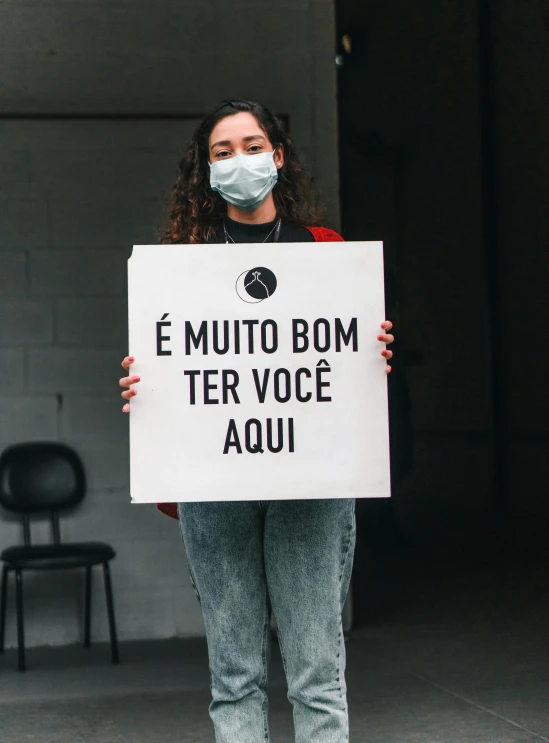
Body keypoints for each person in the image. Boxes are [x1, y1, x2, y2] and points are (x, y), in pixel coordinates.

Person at [119, 99, 394, 743]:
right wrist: (143, 384)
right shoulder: (179, 267)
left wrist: (369, 351)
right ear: (205, 169)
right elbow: (170, 364)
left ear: (277, 155)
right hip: (217, 489)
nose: (239, 159)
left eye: (251, 144)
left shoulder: (326, 253)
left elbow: (346, 359)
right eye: (222, 151)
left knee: (316, 673)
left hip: (311, 487)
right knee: (235, 676)